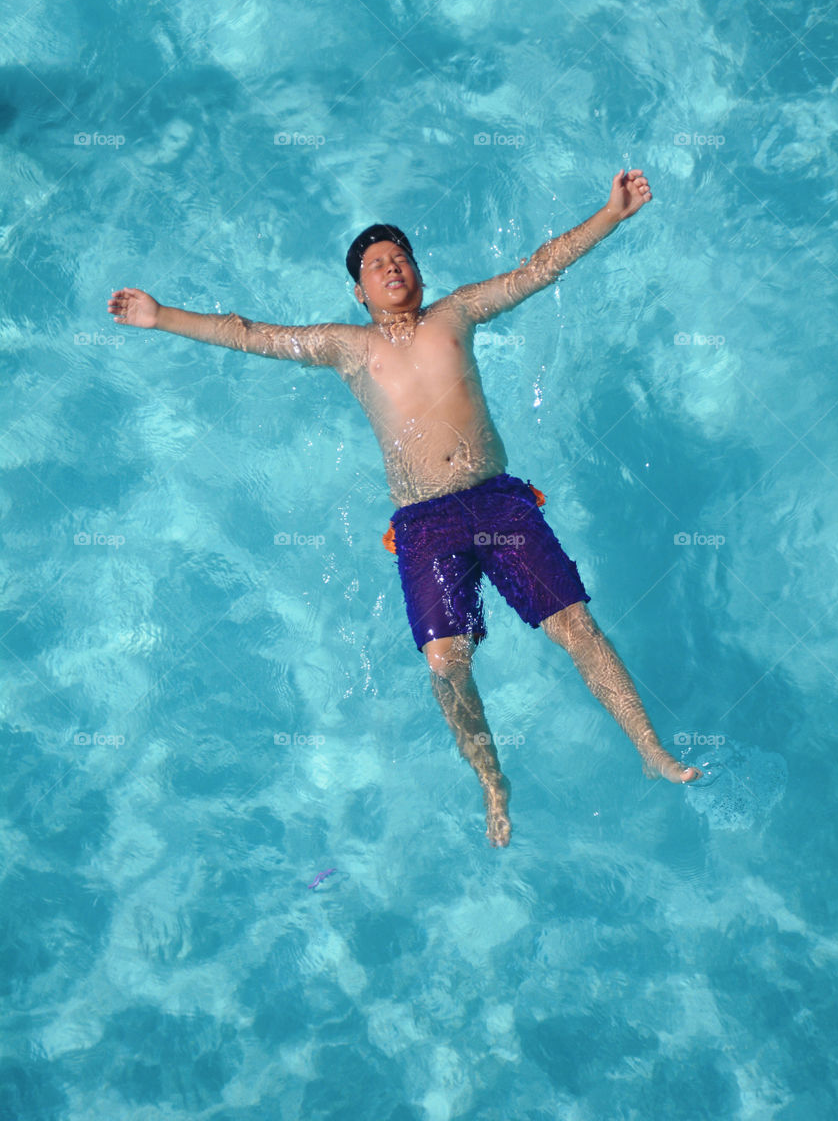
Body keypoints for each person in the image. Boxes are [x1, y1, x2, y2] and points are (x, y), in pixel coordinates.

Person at [108, 167, 700, 846]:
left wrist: (610, 214)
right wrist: (161, 316)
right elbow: (252, 334)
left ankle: (650, 748)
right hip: (425, 524)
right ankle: (492, 782)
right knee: (447, 666)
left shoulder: (456, 314)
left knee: (577, 627)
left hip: (498, 505)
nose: (392, 267)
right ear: (359, 292)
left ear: (418, 271)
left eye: (401, 257)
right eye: (376, 264)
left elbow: (538, 269)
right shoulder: (348, 347)